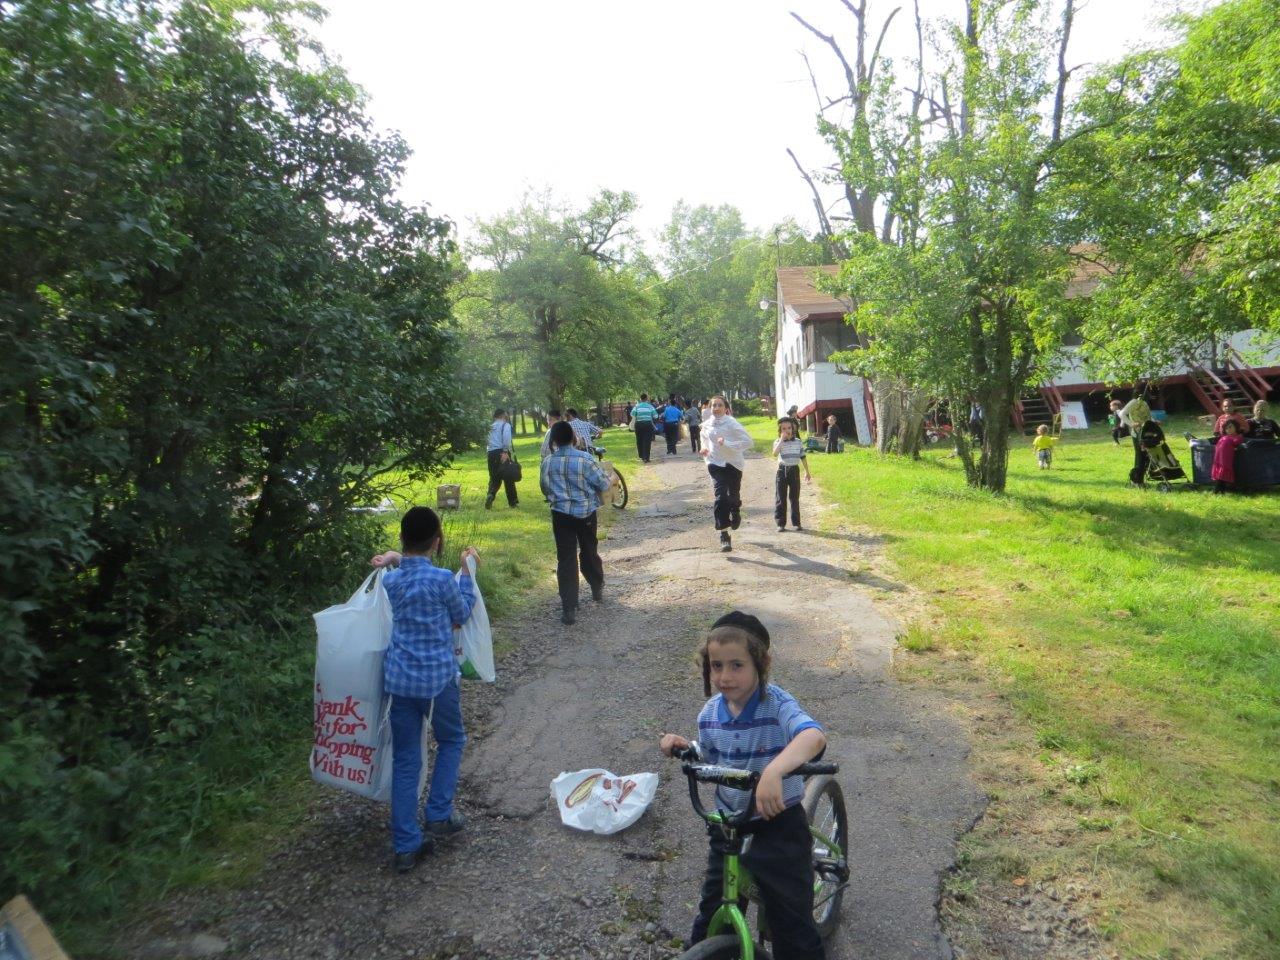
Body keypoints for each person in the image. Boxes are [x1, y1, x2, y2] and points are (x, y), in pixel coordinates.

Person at [659, 612, 828, 960]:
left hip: (776, 820)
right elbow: (713, 753)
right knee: (712, 911)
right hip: (729, 824)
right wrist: (686, 748)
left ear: (761, 664)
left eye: (737, 665)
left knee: (791, 922)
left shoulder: (777, 704)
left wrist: (775, 772)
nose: (724, 676)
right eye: (716, 666)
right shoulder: (709, 714)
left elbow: (813, 736)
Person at [369, 508, 480, 873]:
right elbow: (461, 614)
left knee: (406, 758)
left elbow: (407, 568)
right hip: (437, 682)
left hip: (399, 681)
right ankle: (438, 813)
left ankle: (405, 844)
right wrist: (466, 575)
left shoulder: (392, 582)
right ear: (438, 541)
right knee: (451, 741)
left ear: (402, 539)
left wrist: (392, 559)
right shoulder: (443, 580)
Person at [539, 421, 612, 625]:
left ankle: (569, 607)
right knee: (589, 550)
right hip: (586, 513)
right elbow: (604, 484)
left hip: (560, 515)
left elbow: (544, 488)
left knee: (566, 559)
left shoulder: (547, 462)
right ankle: (596, 586)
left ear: (553, 440)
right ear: (573, 437)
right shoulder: (585, 459)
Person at [700, 395, 754, 553]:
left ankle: (735, 511)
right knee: (721, 496)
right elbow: (703, 436)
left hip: (733, 464)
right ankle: (724, 534)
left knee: (733, 496)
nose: (716, 408)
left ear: (725, 408)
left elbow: (748, 442)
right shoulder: (707, 424)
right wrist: (704, 447)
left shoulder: (732, 423)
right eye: (713, 405)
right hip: (715, 463)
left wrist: (727, 443)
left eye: (719, 405)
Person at [773, 417, 811, 531]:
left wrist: (807, 472)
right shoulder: (777, 442)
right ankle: (781, 523)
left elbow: (803, 457)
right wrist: (781, 440)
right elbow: (775, 453)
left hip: (794, 470)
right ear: (780, 431)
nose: (787, 431)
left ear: (793, 428)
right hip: (782, 471)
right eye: (783, 429)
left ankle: (797, 523)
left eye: (789, 428)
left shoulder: (798, 442)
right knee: (781, 497)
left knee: (794, 497)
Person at [484, 409, 518, 509]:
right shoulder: (505, 425)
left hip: (491, 453)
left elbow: (487, 441)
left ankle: (491, 494)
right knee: (508, 477)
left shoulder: (490, 427)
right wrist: (505, 451)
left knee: (493, 477)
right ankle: (513, 502)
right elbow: (506, 438)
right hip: (502, 452)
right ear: (503, 415)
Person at [1118, 396, 1152, 486]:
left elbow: (1147, 417)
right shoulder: (1134, 402)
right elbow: (1121, 414)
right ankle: (1136, 480)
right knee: (1140, 457)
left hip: (1147, 432)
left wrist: (1154, 421)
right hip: (1137, 434)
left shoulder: (1144, 402)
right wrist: (1131, 424)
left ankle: (1141, 480)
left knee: (1147, 457)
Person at [1212, 420, 1245, 494]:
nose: (1228, 429)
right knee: (1219, 474)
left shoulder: (1237, 437)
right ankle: (1220, 491)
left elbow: (1237, 442)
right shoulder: (1223, 437)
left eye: (1230, 427)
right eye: (1226, 428)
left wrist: (1238, 438)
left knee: (1222, 474)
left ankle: (1216, 491)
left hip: (1226, 459)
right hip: (1218, 459)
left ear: (1236, 427)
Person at [631, 393, 658, 463]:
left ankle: (642, 456)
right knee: (647, 441)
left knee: (639, 440)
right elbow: (655, 416)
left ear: (640, 399)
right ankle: (647, 457)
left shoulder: (637, 407)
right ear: (646, 399)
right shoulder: (650, 406)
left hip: (639, 424)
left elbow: (632, 414)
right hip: (648, 424)